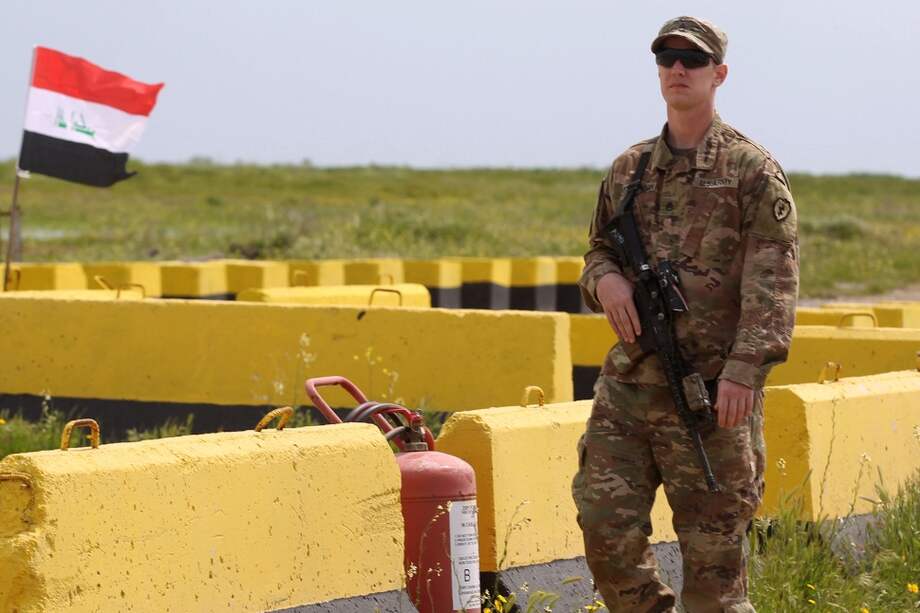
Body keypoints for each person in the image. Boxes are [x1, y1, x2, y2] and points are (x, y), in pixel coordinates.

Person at [571, 16, 799, 613]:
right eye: (667, 57)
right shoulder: (629, 169)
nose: (677, 68)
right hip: (629, 387)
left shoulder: (751, 171)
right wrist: (608, 281)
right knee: (604, 532)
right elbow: (597, 251)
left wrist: (746, 369)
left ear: (717, 74)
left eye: (692, 60)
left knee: (715, 573)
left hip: (711, 396)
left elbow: (773, 279)